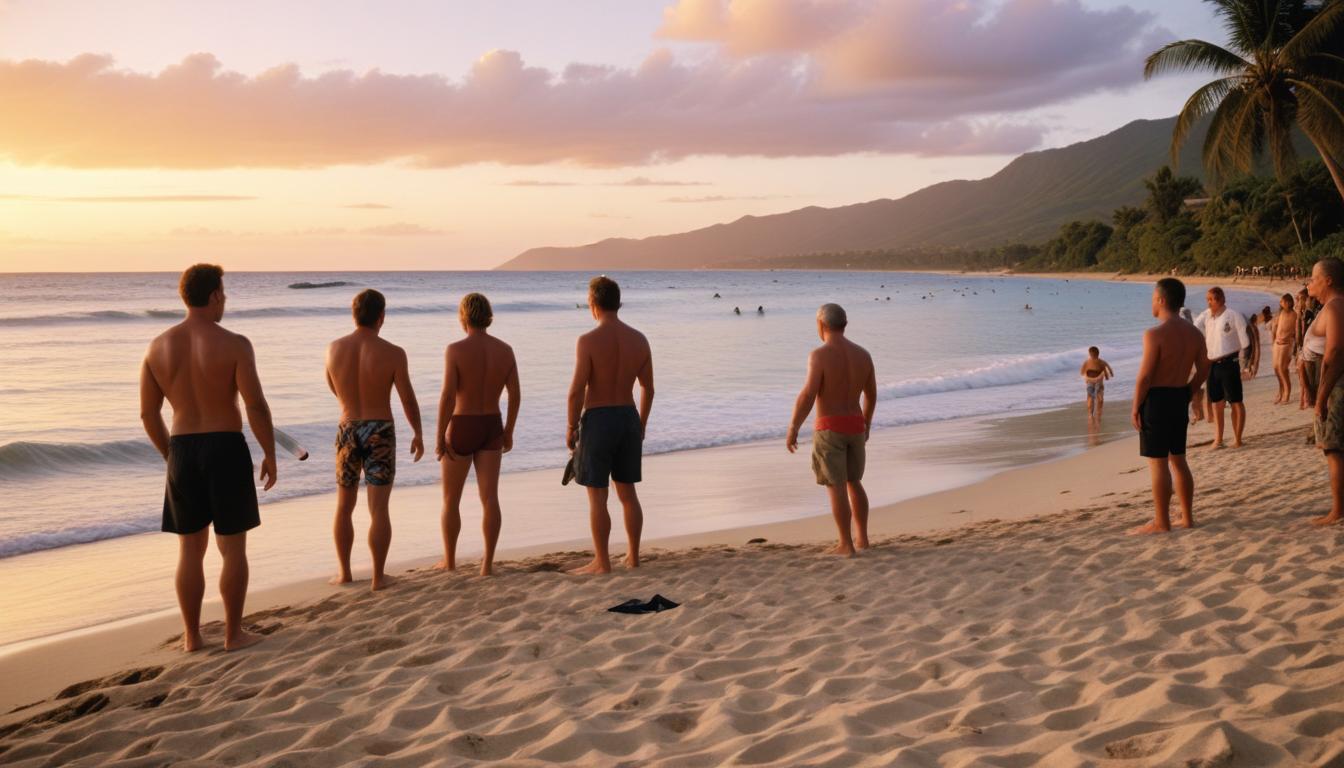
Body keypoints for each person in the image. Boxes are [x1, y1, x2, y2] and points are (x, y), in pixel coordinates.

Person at [139, 264, 276, 652]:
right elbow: (256, 406)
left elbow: (149, 415)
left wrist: (170, 455)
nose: (225, 300)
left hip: (182, 448)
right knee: (232, 549)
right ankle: (234, 634)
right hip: (225, 447)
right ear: (214, 295)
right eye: (224, 293)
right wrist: (268, 452)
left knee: (189, 551)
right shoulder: (234, 343)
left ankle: (192, 636)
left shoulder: (157, 347)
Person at [325, 289, 423, 591]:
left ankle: (344, 573)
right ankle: (379, 577)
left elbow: (333, 386)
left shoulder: (334, 349)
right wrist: (418, 432)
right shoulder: (393, 352)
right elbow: (407, 398)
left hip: (347, 427)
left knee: (344, 506)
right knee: (378, 509)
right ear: (381, 316)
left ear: (354, 315)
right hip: (379, 429)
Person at [567, 276, 654, 574]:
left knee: (597, 495)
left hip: (599, 419)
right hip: (628, 417)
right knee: (627, 493)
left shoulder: (588, 341)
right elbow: (649, 388)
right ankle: (633, 556)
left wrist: (571, 427)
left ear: (593, 304)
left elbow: (577, 389)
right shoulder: (640, 339)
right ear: (618, 303)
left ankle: (602, 561)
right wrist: (641, 423)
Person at [434, 293, 520, 576]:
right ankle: (487, 565)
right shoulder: (505, 350)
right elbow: (515, 395)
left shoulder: (455, 350)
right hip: (491, 425)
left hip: (462, 424)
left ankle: (450, 561)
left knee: (451, 500)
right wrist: (508, 430)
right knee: (490, 498)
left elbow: (447, 396)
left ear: (463, 316)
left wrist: (438, 437)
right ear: (488, 316)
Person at [786, 304, 877, 556]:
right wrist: (866, 423)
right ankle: (863, 539)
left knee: (835, 485)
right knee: (854, 482)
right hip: (855, 426)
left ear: (821, 325)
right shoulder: (863, 355)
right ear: (844, 325)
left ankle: (845, 544)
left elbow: (808, 394)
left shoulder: (819, 355)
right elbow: (871, 395)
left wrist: (794, 426)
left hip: (830, 428)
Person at [1130, 278, 1212, 535]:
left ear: (1162, 300)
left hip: (1156, 399)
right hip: (1179, 396)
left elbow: (1144, 377)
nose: (1151, 302)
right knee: (1179, 459)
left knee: (1158, 463)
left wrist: (1135, 407)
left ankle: (1161, 522)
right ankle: (1186, 518)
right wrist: (1190, 390)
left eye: (1153, 297)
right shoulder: (1194, 334)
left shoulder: (1154, 334)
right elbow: (1205, 367)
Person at [1308, 257, 1344, 525]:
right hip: (1334, 383)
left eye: (1314, 278)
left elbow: (1334, 353)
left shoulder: (1334, 308)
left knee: (1333, 449)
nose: (1311, 283)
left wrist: (1320, 398)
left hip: (1336, 386)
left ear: (1328, 280)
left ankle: (1337, 510)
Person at [1192, 287, 1250, 447]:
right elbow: (1194, 327)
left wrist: (1246, 366)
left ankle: (1238, 438)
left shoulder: (1233, 315)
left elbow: (1246, 342)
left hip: (1229, 363)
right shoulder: (1207, 316)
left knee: (1235, 401)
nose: (1209, 303)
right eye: (1208, 299)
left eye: (1211, 299)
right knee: (1216, 402)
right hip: (1212, 365)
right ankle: (1218, 438)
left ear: (1221, 299)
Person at [1271, 293, 1297, 404]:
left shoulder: (1294, 315)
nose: (1281, 304)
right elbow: (1275, 328)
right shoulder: (1281, 313)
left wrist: (1295, 348)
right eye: (1281, 302)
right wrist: (1273, 341)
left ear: (1289, 302)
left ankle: (1287, 392)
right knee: (1276, 369)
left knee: (1282, 369)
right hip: (1277, 343)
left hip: (1287, 344)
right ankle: (1281, 390)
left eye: (1283, 302)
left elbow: (1296, 332)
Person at [1080, 346, 1114, 422]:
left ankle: (1094, 414)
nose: (1092, 356)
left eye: (1092, 354)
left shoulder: (1094, 362)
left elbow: (1082, 372)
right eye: (1092, 355)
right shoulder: (1093, 362)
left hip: (1094, 382)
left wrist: (1108, 374)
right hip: (1094, 382)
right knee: (1095, 398)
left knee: (1095, 398)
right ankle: (1094, 414)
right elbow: (1082, 372)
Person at [1243, 313, 1262, 380]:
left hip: (1246, 346)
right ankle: (1248, 372)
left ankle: (1247, 371)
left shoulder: (1247, 326)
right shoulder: (1253, 327)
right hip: (1249, 346)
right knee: (1249, 358)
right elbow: (1255, 344)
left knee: (1246, 359)